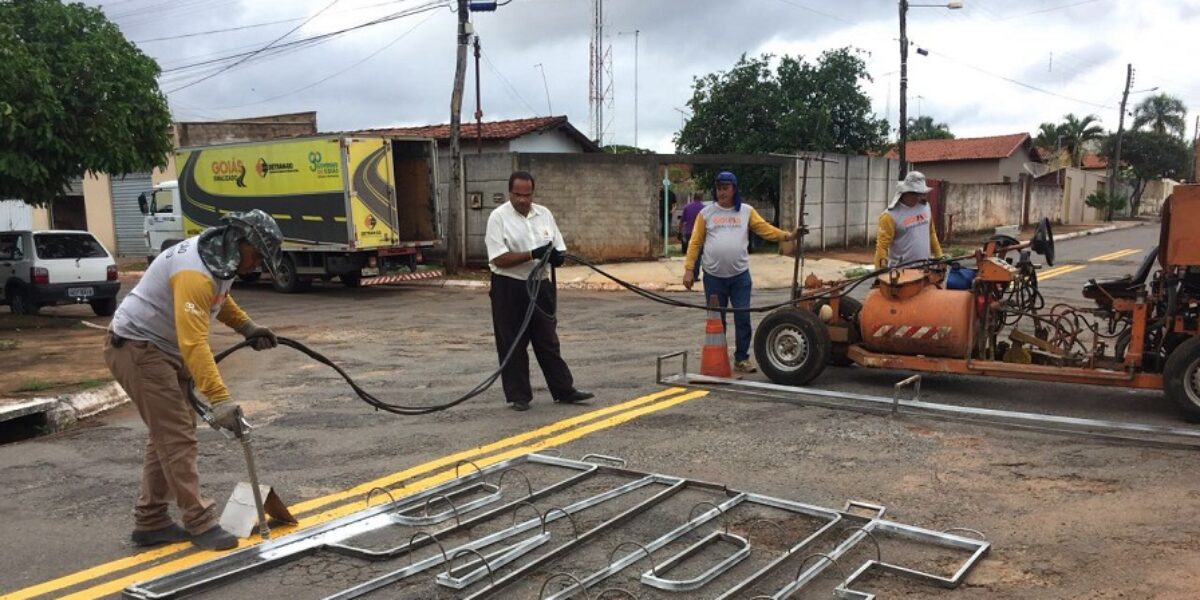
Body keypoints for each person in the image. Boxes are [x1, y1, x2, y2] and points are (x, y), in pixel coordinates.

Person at [106, 210, 284, 551]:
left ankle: (151, 520)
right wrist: (219, 399)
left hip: (158, 347)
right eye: (258, 255)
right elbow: (193, 342)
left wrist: (247, 327)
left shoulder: (221, 259)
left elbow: (221, 298)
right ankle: (200, 522)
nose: (257, 264)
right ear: (242, 242)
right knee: (176, 435)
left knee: (168, 433)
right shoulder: (195, 272)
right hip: (138, 348)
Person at [485, 171, 593, 412]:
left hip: (541, 285)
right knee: (512, 342)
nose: (522, 200)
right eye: (517, 195)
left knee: (547, 340)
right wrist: (533, 254)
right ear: (509, 192)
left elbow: (558, 246)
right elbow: (499, 258)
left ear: (533, 193)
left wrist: (556, 257)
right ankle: (519, 395)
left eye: (527, 194)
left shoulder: (544, 214)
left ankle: (564, 390)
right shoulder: (498, 218)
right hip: (509, 286)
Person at [682, 171, 802, 373]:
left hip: (740, 276)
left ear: (734, 189)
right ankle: (718, 359)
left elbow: (765, 229)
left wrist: (788, 236)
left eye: (726, 188)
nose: (722, 192)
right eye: (719, 188)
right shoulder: (707, 214)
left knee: (742, 317)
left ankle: (741, 358)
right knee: (716, 320)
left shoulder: (746, 211)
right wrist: (688, 270)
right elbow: (695, 242)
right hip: (713, 276)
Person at [874, 170, 944, 269]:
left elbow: (931, 233)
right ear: (905, 192)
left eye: (921, 193)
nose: (919, 197)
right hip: (901, 272)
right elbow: (882, 247)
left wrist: (939, 256)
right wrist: (880, 273)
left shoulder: (925, 207)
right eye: (916, 194)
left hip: (925, 268)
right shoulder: (890, 216)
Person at [679, 193, 706, 279]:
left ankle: (690, 272)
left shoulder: (687, 207)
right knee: (698, 255)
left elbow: (682, 221)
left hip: (688, 232)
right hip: (700, 234)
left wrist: (680, 232)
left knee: (690, 253)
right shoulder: (704, 208)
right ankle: (695, 274)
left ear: (693, 198)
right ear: (701, 198)